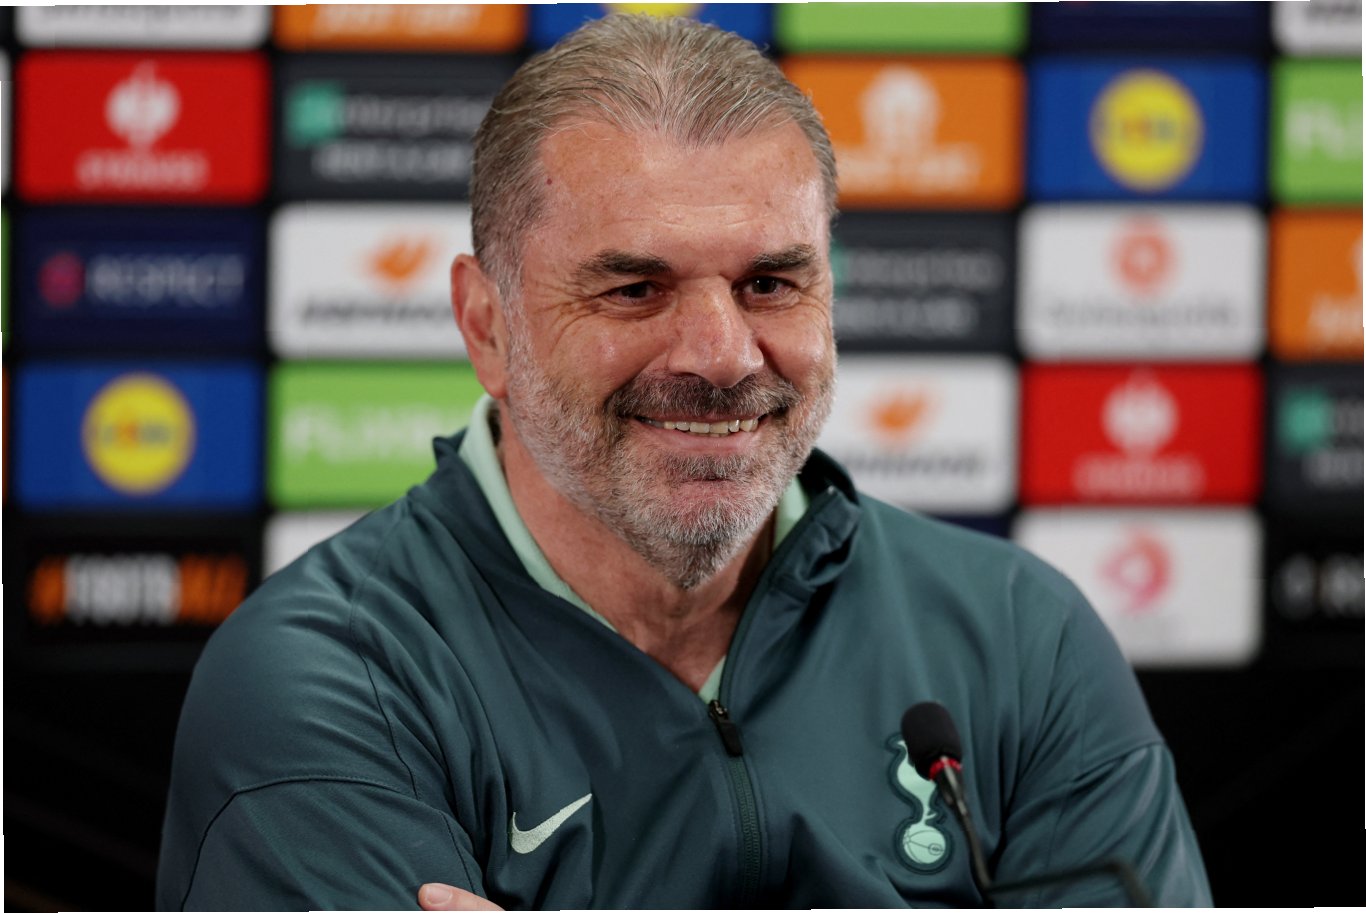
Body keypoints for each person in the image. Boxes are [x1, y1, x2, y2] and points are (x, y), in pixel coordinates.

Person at [157, 14, 1212, 911]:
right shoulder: (331, 678)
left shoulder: (1020, 639)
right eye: (634, 290)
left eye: (769, 284)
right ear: (487, 326)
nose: (721, 354)